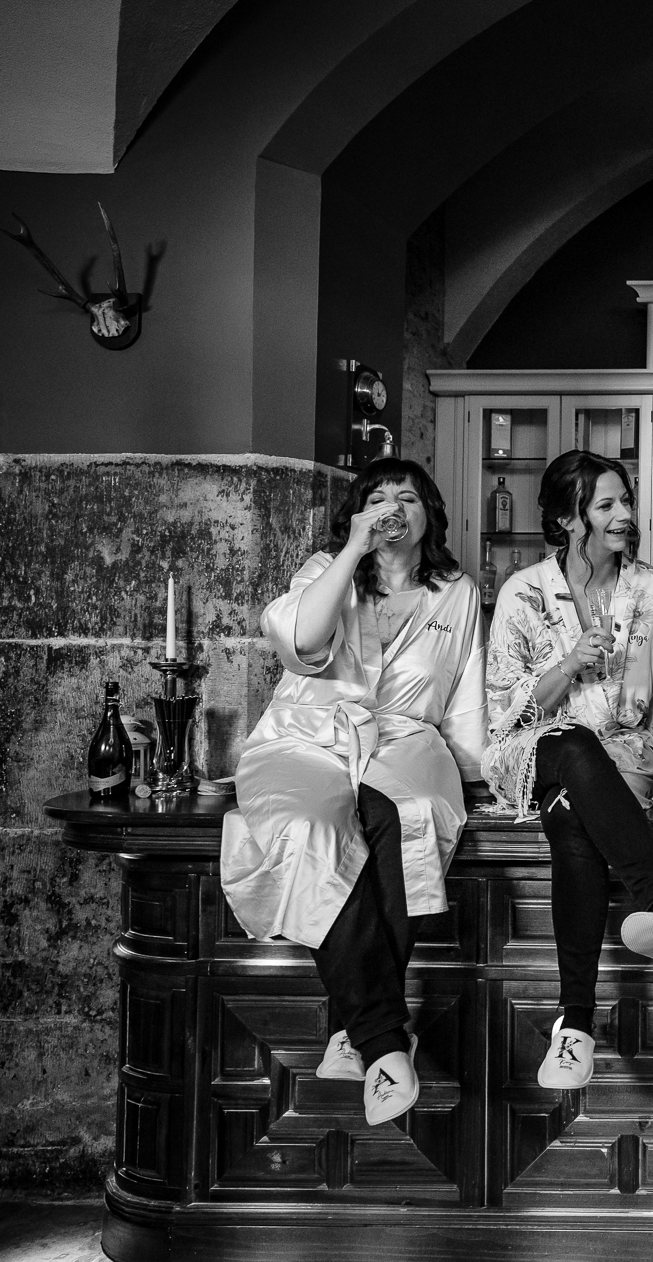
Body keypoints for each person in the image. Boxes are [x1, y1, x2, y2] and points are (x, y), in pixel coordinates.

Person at [219, 458, 485, 1126]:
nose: (393, 505)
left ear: (431, 513)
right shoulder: (322, 569)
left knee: (411, 817)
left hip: (404, 740)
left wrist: (484, 775)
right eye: (376, 497)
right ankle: (385, 1037)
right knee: (309, 829)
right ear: (357, 513)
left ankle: (355, 1031)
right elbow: (302, 643)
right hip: (306, 735)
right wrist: (354, 548)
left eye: (408, 496)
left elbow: (466, 697)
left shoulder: (456, 591)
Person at [483, 450, 653, 1093]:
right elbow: (503, 712)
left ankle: (573, 1024)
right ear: (567, 519)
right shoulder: (523, 591)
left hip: (621, 762)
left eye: (624, 502)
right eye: (605, 506)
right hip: (535, 751)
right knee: (575, 745)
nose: (625, 516)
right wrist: (569, 664)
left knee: (576, 816)